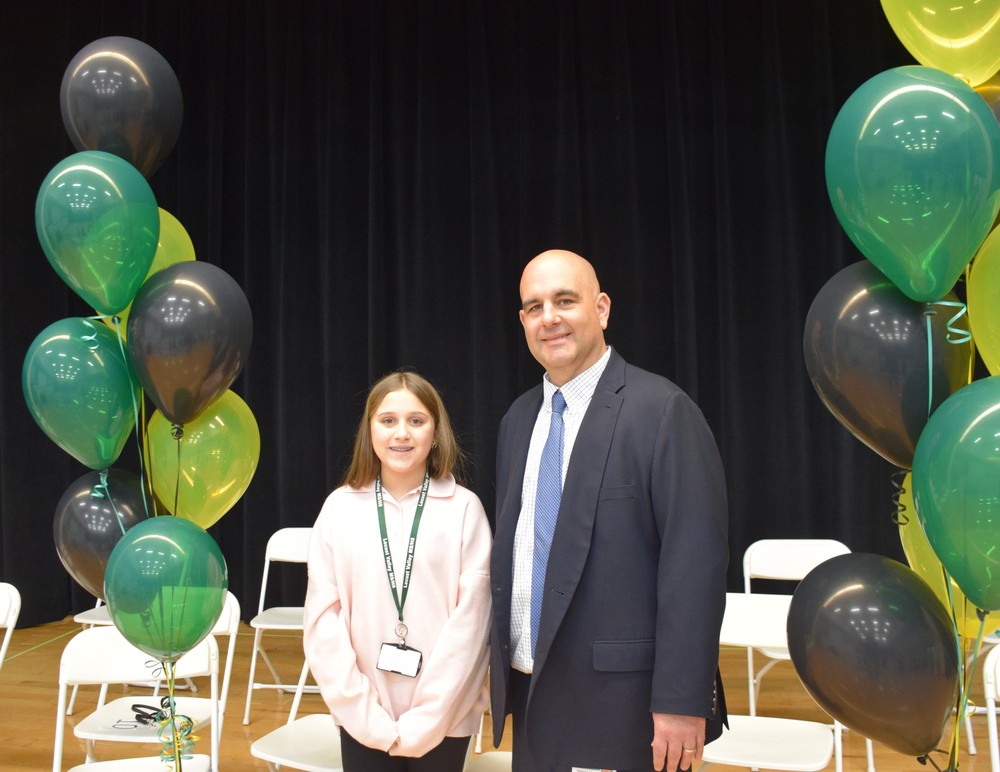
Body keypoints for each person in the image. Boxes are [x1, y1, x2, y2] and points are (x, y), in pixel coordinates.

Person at [489, 249, 729, 772]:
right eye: (534, 307)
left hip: (627, 710)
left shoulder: (663, 411)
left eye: (565, 301)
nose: (548, 317)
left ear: (601, 309)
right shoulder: (517, 420)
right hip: (532, 694)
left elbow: (695, 570)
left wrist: (682, 701)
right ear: (523, 321)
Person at [304, 371, 492, 771]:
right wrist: (366, 719)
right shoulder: (339, 508)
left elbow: (472, 625)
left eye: (416, 420)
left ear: (436, 433)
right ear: (369, 431)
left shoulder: (464, 509)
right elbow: (323, 623)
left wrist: (427, 720)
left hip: (446, 718)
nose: (401, 433)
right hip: (362, 719)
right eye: (388, 420)